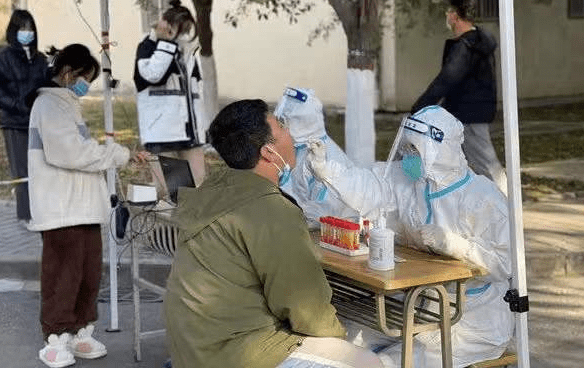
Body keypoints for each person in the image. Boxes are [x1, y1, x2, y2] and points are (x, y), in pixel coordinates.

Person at [163, 99, 383, 368]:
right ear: (268, 152)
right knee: (367, 362)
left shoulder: (214, 188)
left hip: (192, 344)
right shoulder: (271, 210)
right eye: (283, 128)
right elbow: (305, 307)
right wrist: (341, 342)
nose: (292, 136)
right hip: (232, 352)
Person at [298, 105, 514, 367]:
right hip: (418, 300)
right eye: (408, 148)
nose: (409, 157)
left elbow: (507, 263)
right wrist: (330, 171)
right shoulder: (409, 180)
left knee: (390, 363)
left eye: (416, 150)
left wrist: (456, 245)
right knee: (344, 341)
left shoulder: (481, 197)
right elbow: (371, 188)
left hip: (474, 318)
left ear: (440, 150)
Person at [28, 44, 130, 368]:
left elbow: (81, 150)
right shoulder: (48, 105)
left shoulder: (68, 105)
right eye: (85, 77)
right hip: (61, 208)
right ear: (69, 72)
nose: (86, 85)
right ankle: (56, 338)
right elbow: (70, 153)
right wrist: (115, 154)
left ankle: (80, 332)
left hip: (83, 206)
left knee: (88, 274)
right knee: (63, 276)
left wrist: (107, 153)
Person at [411, 0, 507, 195]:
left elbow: (447, 79)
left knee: (487, 165)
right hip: (467, 112)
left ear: (454, 16)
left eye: (448, 13)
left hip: (468, 115)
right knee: (456, 166)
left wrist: (420, 107)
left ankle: (509, 206)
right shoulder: (477, 42)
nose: (446, 17)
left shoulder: (466, 46)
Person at [133, 0, 208, 190]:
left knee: (198, 185)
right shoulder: (148, 46)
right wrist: (165, 43)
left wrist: (202, 128)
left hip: (190, 132)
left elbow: (196, 92)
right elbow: (153, 76)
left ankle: (192, 218)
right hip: (161, 130)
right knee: (164, 190)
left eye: (188, 30)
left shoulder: (188, 51)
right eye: (180, 30)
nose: (184, 35)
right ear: (167, 26)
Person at [0, 9, 49, 224]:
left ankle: (41, 210)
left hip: (37, 121)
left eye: (30, 29)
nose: (27, 33)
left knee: (40, 167)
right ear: (14, 30)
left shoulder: (39, 59)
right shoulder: (4, 56)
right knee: (22, 171)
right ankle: (25, 214)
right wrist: (18, 106)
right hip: (14, 122)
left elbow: (45, 87)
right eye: (22, 29)